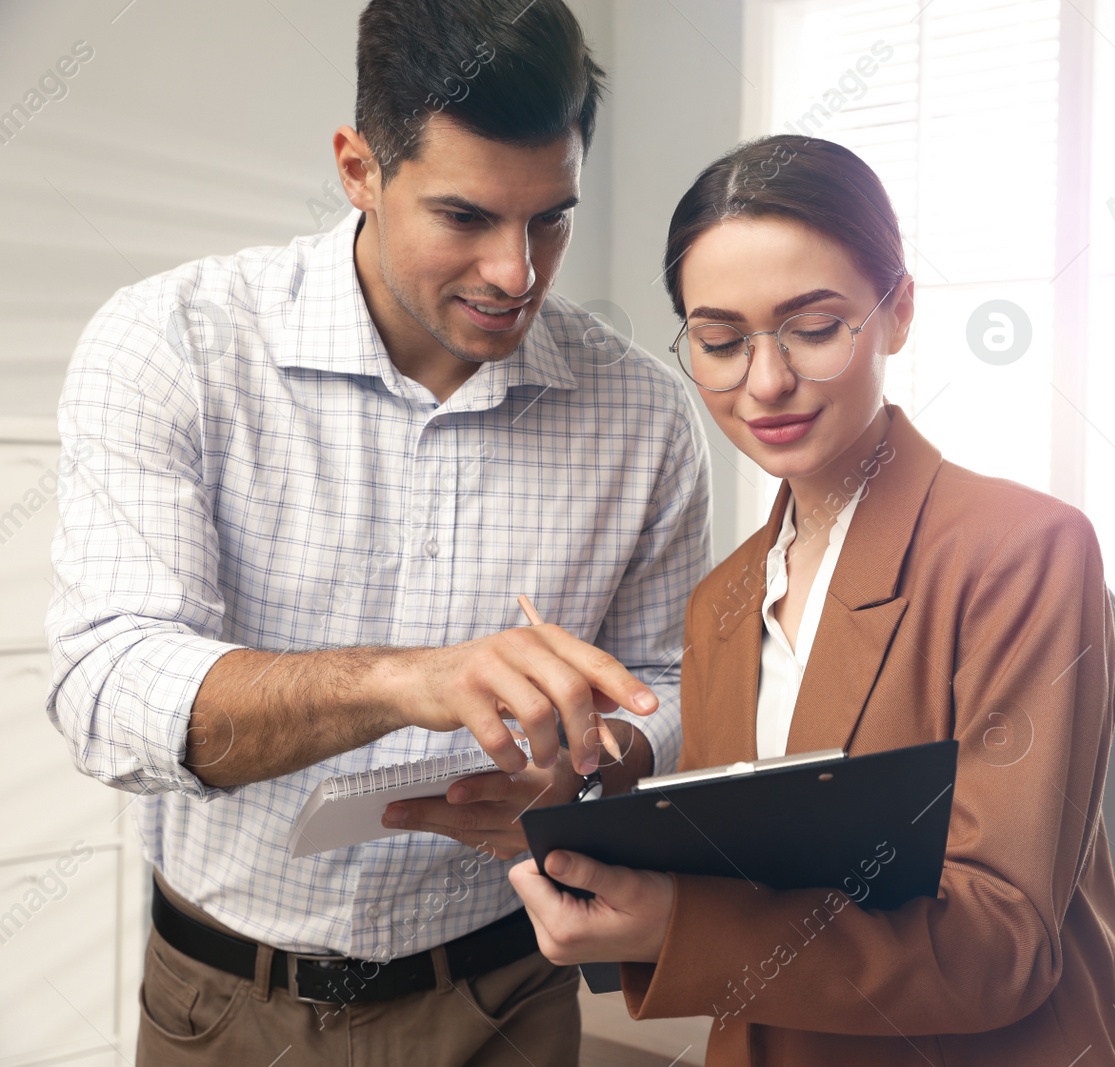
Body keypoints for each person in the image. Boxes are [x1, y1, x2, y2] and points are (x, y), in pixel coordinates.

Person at [44, 1, 711, 1063]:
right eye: (465, 217)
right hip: (228, 1008)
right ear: (358, 167)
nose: (518, 273)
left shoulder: (643, 411)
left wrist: (597, 762)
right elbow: (108, 693)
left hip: (509, 992)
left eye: (550, 218)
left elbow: (671, 678)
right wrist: (404, 681)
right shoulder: (174, 344)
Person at [509, 135, 1115, 1065]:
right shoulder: (723, 600)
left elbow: (1001, 942)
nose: (764, 382)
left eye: (813, 328)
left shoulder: (1025, 552)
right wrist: (568, 805)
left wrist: (675, 926)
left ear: (898, 312)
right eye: (722, 342)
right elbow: (745, 868)